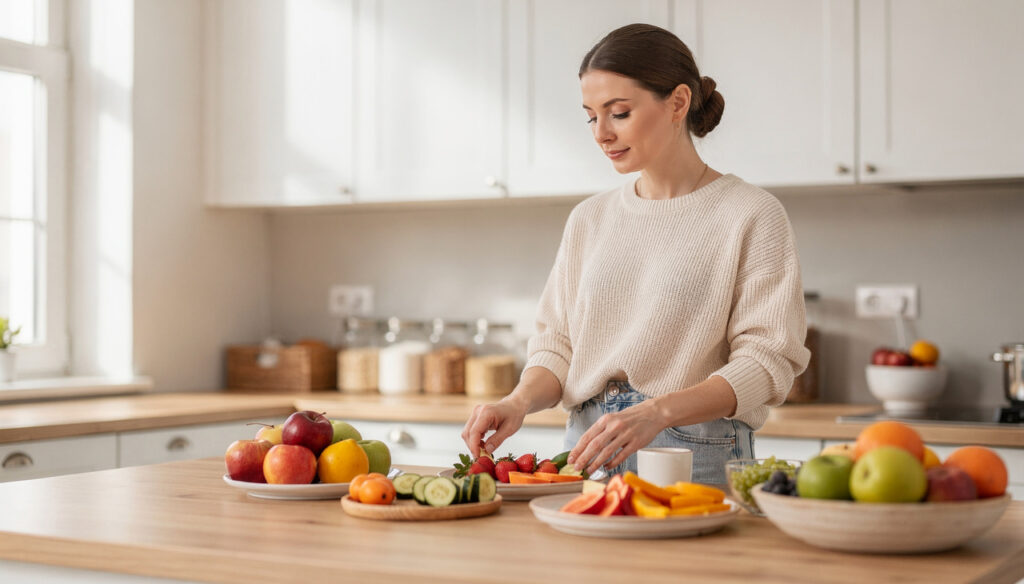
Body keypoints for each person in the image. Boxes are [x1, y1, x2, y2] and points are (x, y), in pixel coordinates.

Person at [461, 23, 810, 484]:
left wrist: (657, 412)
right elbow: (558, 345)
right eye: (590, 116)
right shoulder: (590, 218)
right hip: (587, 448)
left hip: (693, 447)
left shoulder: (751, 214)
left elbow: (768, 361)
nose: (601, 133)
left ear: (678, 103)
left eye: (619, 112)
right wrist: (517, 401)